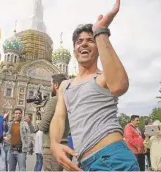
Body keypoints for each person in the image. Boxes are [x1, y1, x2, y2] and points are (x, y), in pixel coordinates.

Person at [49, 0, 139, 171]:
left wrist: (101, 32)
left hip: (113, 158)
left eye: (90, 40)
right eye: (79, 41)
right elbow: (59, 118)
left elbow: (120, 85)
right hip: (85, 163)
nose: (83, 43)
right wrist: (54, 144)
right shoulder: (65, 86)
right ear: (75, 49)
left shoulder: (102, 78)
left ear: (97, 47)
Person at [37, 74, 69, 171]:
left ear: (56, 85)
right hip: (63, 145)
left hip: (52, 148)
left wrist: (38, 122)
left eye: (51, 84)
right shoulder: (68, 101)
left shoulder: (55, 100)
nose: (51, 87)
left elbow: (43, 126)